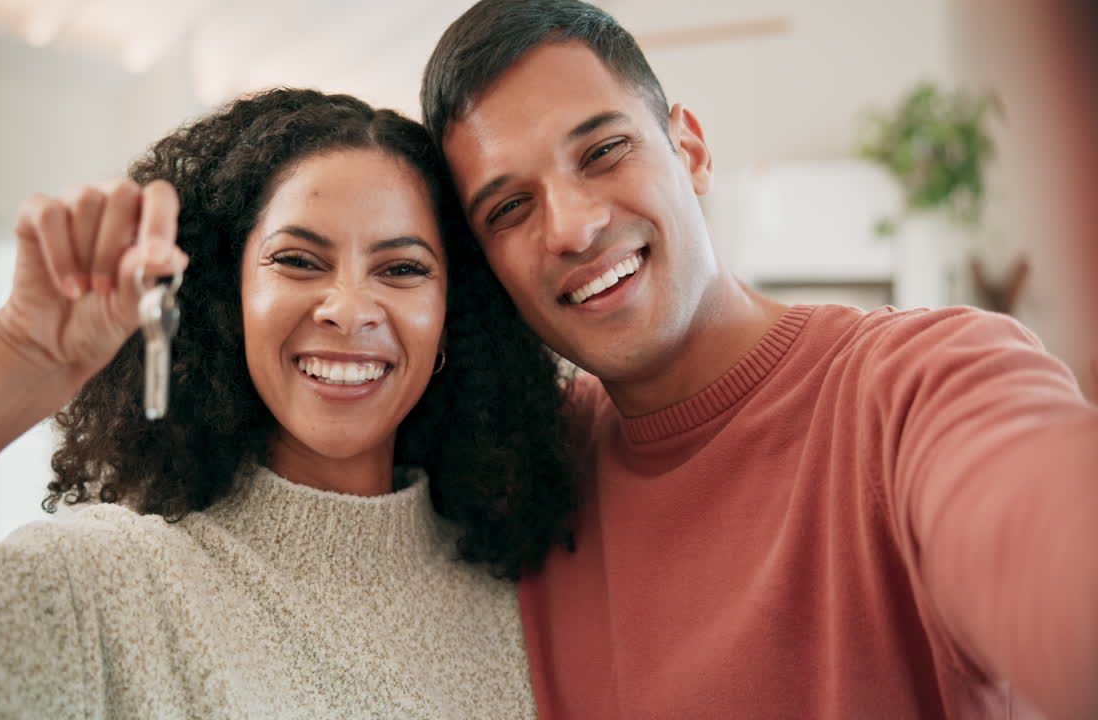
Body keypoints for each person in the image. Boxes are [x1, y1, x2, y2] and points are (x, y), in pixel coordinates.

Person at [421, 1, 1098, 718]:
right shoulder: (522, 470)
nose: (573, 228)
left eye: (602, 152)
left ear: (692, 151)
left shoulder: (915, 385)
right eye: (509, 209)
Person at [0, 88, 574, 718]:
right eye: (297, 260)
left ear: (455, 315)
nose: (349, 307)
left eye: (403, 267)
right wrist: (19, 357)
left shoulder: (521, 591)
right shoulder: (109, 589)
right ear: (224, 300)